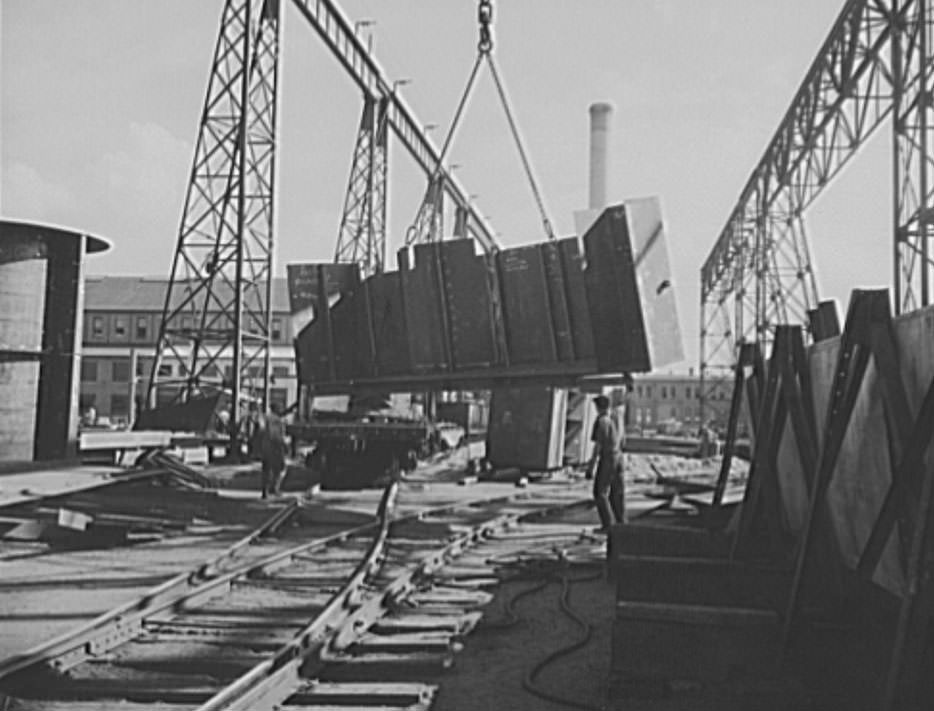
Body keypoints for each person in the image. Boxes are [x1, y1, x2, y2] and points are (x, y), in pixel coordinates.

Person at [587, 394, 625, 532]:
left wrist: (590, 467)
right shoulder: (615, 419)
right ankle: (621, 523)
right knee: (616, 492)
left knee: (599, 492)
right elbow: (623, 442)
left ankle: (608, 525)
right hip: (618, 457)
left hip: (608, 458)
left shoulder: (601, 421)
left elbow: (598, 446)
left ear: (598, 407)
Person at [257, 405, 288, 498]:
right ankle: (275, 488)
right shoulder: (278, 421)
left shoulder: (265, 418)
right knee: (280, 469)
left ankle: (264, 491)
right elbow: (277, 436)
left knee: (266, 470)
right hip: (275, 449)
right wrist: (284, 446)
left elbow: (260, 432)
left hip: (265, 448)